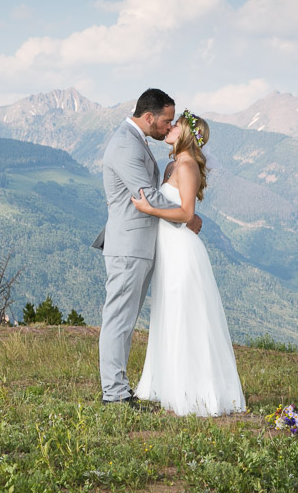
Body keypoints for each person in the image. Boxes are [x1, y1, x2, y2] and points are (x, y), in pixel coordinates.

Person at [130, 110, 246, 416]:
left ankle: (197, 392)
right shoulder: (172, 165)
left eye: (175, 125)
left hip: (182, 251)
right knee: (168, 313)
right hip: (167, 249)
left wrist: (149, 210)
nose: (169, 128)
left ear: (186, 134)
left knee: (186, 316)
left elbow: (185, 213)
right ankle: (167, 384)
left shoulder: (187, 165)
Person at [92, 88, 202, 407]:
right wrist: (187, 216)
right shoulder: (126, 145)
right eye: (167, 121)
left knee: (124, 320)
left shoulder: (134, 140)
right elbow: (147, 197)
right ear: (149, 117)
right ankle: (115, 394)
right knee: (119, 319)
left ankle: (119, 389)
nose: (168, 127)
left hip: (138, 244)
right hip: (129, 246)